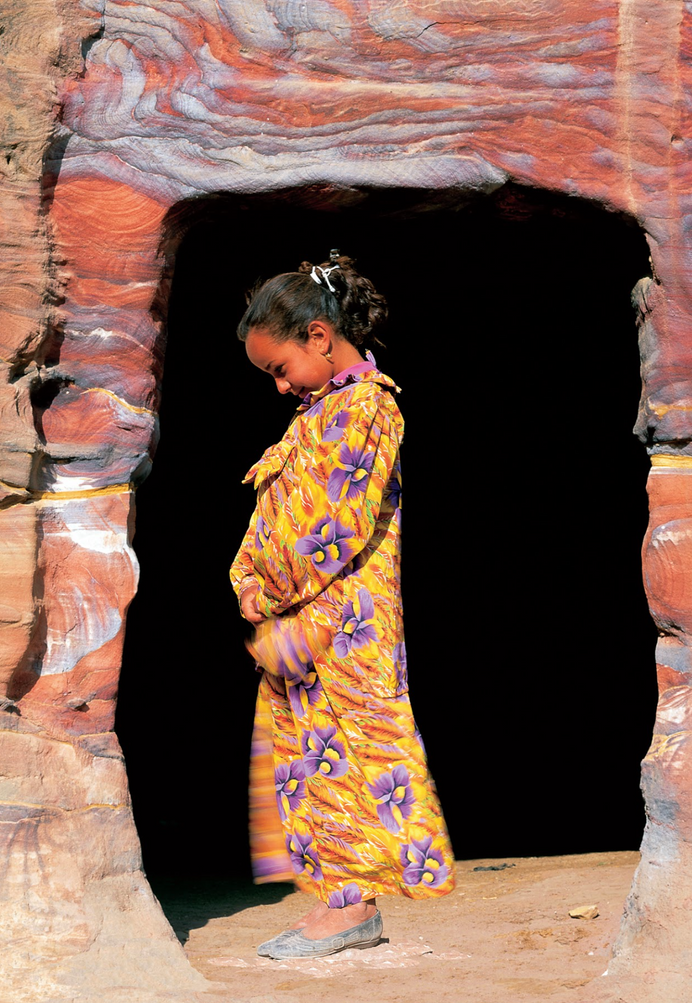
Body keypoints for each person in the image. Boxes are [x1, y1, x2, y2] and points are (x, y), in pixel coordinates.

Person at [228, 251, 453, 960]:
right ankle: (338, 903)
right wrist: (249, 582)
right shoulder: (317, 413)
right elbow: (280, 513)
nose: (279, 385)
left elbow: (332, 528)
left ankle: (353, 907)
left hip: (345, 623)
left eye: (280, 367)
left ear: (320, 337)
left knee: (356, 756)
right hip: (308, 622)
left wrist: (264, 590)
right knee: (309, 759)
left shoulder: (366, 408)